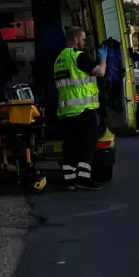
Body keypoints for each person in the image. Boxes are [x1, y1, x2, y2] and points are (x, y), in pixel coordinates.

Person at [54, 26, 106, 189]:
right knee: (89, 142)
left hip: (66, 110)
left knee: (70, 145)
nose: (84, 42)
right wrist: (103, 58)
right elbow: (100, 72)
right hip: (83, 109)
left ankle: (70, 180)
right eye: (83, 39)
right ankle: (83, 178)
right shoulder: (79, 56)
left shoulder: (60, 59)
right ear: (76, 40)